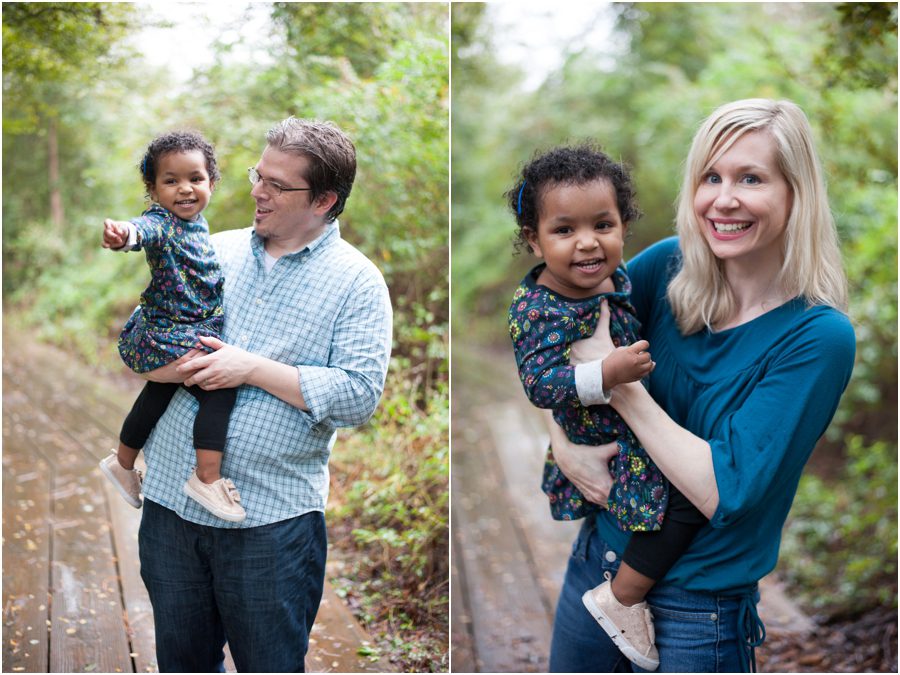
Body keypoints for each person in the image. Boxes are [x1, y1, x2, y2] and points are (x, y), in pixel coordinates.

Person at [544, 99, 856, 673]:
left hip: (698, 610)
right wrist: (562, 444)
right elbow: (550, 343)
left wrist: (621, 388)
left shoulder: (817, 337)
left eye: (751, 178)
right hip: (597, 564)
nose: (723, 198)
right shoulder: (665, 268)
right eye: (710, 177)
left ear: (796, 192)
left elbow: (723, 490)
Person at [134, 117, 392, 672]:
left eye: (276, 184)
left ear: (323, 199)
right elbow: (141, 336)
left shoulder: (358, 282)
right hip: (170, 512)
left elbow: (358, 396)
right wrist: (171, 363)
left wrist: (249, 368)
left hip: (271, 525)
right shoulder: (209, 248)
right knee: (180, 664)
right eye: (258, 175)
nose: (256, 190)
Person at [506, 144, 707, 671]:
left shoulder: (616, 281)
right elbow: (540, 385)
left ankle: (622, 591)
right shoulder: (537, 307)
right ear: (534, 239)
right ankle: (622, 600)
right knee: (684, 503)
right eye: (564, 230)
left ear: (624, 226)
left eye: (603, 224)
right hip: (609, 441)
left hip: (626, 432)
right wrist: (606, 374)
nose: (588, 242)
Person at [98, 131, 245, 523]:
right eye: (170, 181)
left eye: (195, 179)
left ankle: (123, 463)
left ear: (211, 183)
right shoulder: (162, 221)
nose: (184, 189)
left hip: (174, 329)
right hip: (166, 335)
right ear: (153, 190)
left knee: (159, 392)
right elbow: (141, 230)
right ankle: (206, 478)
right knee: (220, 385)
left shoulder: (198, 223)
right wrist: (122, 235)